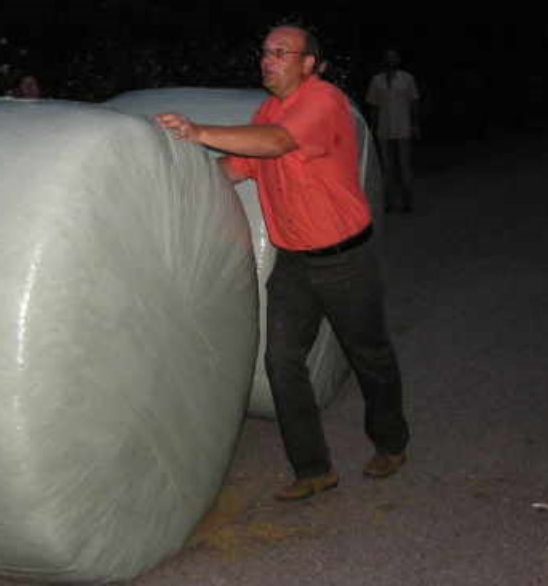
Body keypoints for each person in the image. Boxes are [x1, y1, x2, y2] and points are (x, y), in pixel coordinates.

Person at [156, 24, 410, 501]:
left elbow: (275, 143)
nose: (267, 60)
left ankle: (391, 441)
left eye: (280, 52)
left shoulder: (324, 101)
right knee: (280, 361)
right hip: (293, 263)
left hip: (344, 258)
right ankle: (313, 468)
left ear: (308, 64)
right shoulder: (268, 111)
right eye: (265, 52)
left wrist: (199, 131)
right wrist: (179, 186)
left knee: (368, 354)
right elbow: (238, 167)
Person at [365, 49, 420, 212]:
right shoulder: (376, 80)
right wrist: (371, 128)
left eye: (394, 57)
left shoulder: (407, 78)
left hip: (403, 128)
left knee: (404, 166)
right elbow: (373, 106)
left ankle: (407, 201)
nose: (391, 60)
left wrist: (415, 124)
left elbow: (414, 102)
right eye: (388, 57)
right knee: (386, 167)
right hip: (384, 129)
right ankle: (388, 202)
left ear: (398, 60)